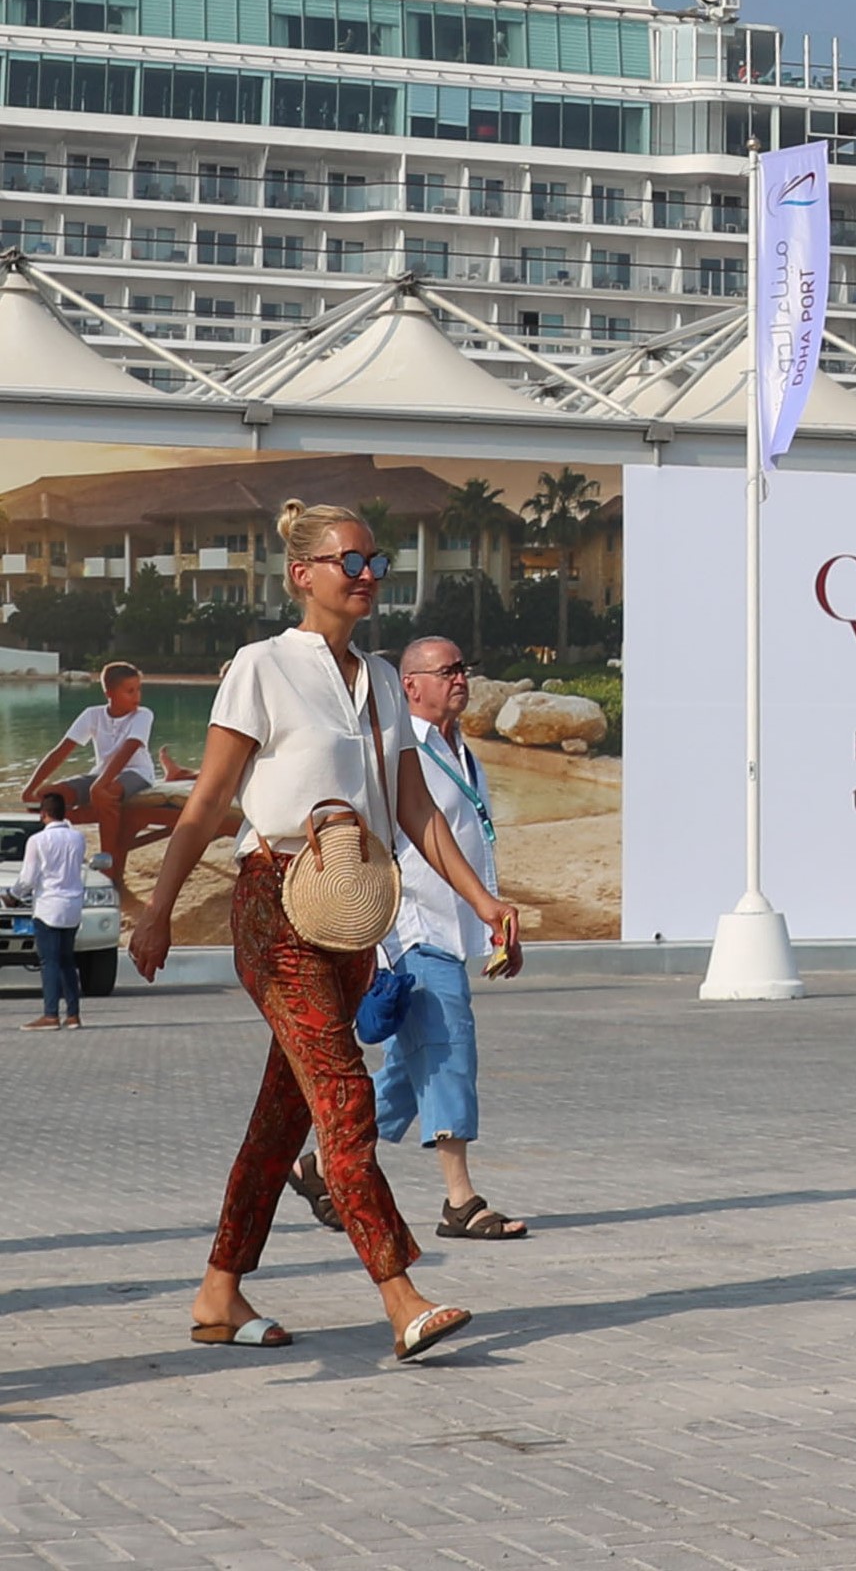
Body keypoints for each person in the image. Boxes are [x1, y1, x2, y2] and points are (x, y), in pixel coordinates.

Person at [127, 500, 522, 1361]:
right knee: (343, 1098)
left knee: (282, 1118)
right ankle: (401, 1293)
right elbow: (206, 803)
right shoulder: (260, 667)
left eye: (375, 560)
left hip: (352, 913)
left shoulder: (383, 680)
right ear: (302, 574)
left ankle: (218, 1293)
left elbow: (414, 808)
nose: (369, 574)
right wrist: (157, 908)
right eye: (351, 561)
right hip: (275, 908)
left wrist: (484, 900)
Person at [370, 634, 530, 1242]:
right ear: (411, 685)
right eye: (448, 670)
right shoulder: (399, 750)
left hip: (454, 924)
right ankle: (459, 1200)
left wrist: (493, 922)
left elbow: (473, 844)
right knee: (448, 1048)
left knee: (409, 1070)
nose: (461, 678)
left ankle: (322, 1167)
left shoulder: (464, 753)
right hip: (413, 924)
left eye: (465, 668)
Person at [22, 661, 174, 885]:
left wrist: (101, 784)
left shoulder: (143, 715)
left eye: (138, 689)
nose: (137, 696)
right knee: (46, 797)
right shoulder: (92, 715)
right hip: (101, 773)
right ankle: (52, 861)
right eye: (130, 691)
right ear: (109, 693)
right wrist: (30, 788)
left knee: (105, 793)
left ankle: (108, 867)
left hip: (137, 774)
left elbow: (128, 748)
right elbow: (61, 751)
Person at [15, 790, 88, 1031]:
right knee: (68, 960)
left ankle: (50, 1014)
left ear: (43, 814)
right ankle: (73, 1015)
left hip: (49, 907)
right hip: (73, 907)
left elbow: (28, 878)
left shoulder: (37, 841)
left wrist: (13, 895)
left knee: (49, 961)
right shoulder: (78, 838)